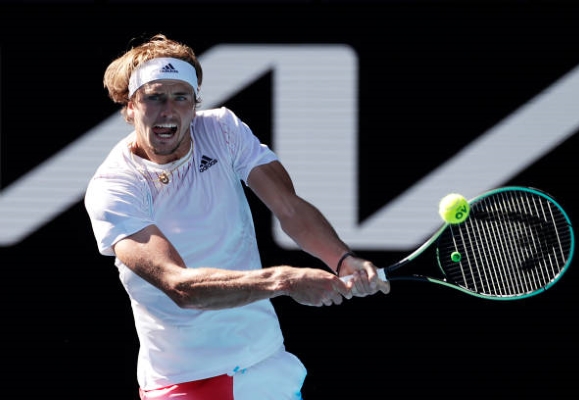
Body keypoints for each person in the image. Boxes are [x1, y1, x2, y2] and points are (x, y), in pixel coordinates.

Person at [84, 33, 390, 400]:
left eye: (181, 97)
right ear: (130, 106)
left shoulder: (222, 130)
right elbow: (179, 285)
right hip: (186, 380)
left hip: (265, 361)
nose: (168, 111)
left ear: (194, 106)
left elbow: (289, 207)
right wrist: (285, 281)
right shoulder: (113, 187)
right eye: (154, 97)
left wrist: (342, 259)